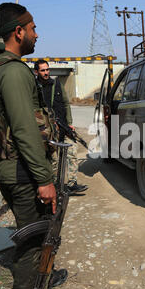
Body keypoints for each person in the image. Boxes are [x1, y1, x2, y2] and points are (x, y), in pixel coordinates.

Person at [0, 2, 67, 289]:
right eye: (32, 29)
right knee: (32, 240)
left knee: (34, 232)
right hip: (23, 170)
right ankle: (27, 287)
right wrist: (44, 178)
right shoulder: (13, 72)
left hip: (6, 166)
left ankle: (43, 277)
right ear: (18, 32)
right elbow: (25, 129)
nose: (36, 35)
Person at [34, 59, 88, 194]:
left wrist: (69, 122)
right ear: (37, 72)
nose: (46, 73)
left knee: (72, 152)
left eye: (47, 70)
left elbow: (66, 104)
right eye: (43, 70)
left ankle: (72, 184)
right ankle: (56, 186)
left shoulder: (56, 83)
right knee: (54, 160)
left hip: (63, 126)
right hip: (48, 130)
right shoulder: (34, 87)